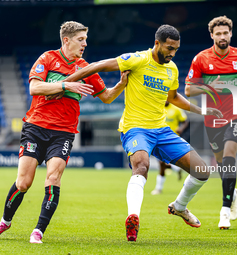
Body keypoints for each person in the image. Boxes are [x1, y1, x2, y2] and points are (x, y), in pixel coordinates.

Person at [62, 24, 222, 242]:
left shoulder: (171, 69)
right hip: (135, 128)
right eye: (169, 48)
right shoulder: (137, 59)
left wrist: (201, 110)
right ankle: (133, 218)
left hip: (162, 130)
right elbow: (98, 65)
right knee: (142, 166)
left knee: (202, 171)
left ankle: (179, 206)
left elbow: (173, 98)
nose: (172, 53)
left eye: (176, 49)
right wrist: (66, 82)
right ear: (157, 43)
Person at [0, 21, 129, 244]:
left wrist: (121, 84)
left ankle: (38, 230)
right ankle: (5, 220)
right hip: (35, 127)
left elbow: (106, 97)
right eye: (81, 40)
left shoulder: (85, 67)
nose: (85, 44)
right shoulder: (48, 58)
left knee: (53, 178)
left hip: (63, 133)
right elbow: (35, 88)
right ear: (66, 40)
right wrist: (67, 85)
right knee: (23, 183)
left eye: (85, 40)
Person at [184, 16, 237, 229]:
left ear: (230, 34)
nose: (222, 36)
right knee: (220, 162)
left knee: (228, 156)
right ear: (212, 36)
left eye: (225, 33)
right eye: (218, 33)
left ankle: (224, 211)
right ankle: (231, 192)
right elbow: (188, 90)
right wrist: (210, 88)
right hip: (213, 116)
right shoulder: (201, 59)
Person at [151, 101, 189, 195]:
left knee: (161, 163)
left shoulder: (176, 109)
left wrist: (181, 129)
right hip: (159, 139)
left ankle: (158, 188)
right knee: (162, 163)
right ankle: (176, 168)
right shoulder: (157, 108)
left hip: (172, 140)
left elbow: (185, 121)